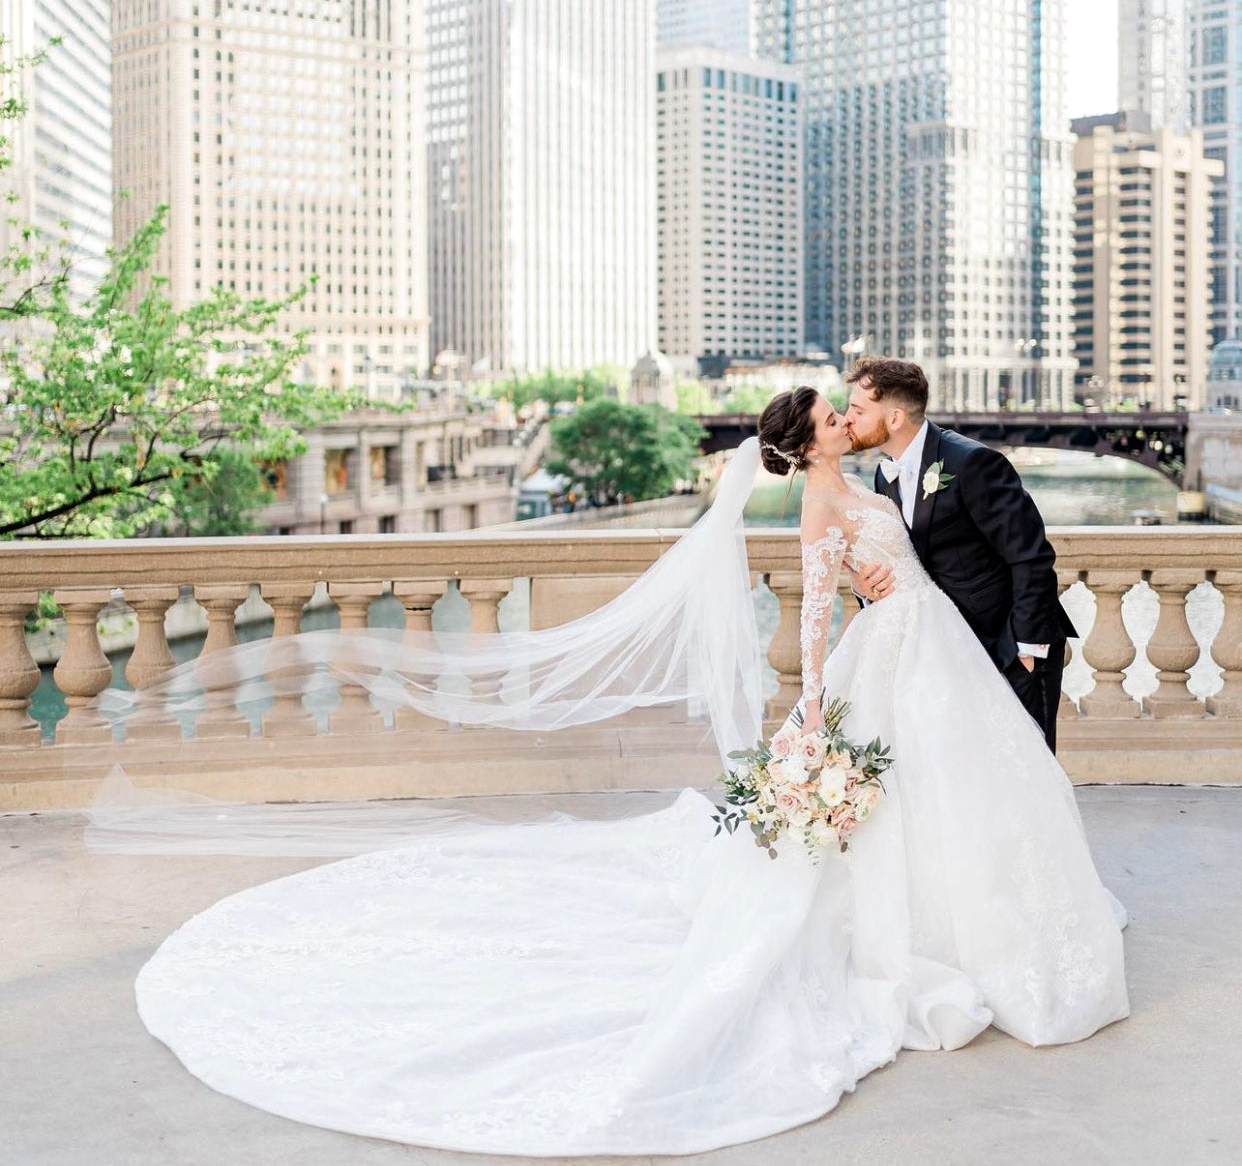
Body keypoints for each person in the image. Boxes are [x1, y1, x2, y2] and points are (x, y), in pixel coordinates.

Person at [90, 392, 1128, 1157]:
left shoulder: (865, 482)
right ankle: (932, 931)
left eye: (848, 407)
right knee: (909, 798)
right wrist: (812, 698)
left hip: (924, 643)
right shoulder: (821, 504)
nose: (842, 414)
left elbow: (905, 562)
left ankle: (970, 917)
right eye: (829, 413)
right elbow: (815, 604)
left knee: (952, 792)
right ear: (810, 439)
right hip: (886, 653)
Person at [842, 356, 1075, 750]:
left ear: (895, 418)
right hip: (948, 650)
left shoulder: (974, 463)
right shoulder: (885, 474)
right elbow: (906, 557)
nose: (846, 418)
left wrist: (1025, 650)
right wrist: (863, 586)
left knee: (1026, 770)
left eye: (857, 409)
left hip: (1007, 645)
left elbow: (1032, 556)